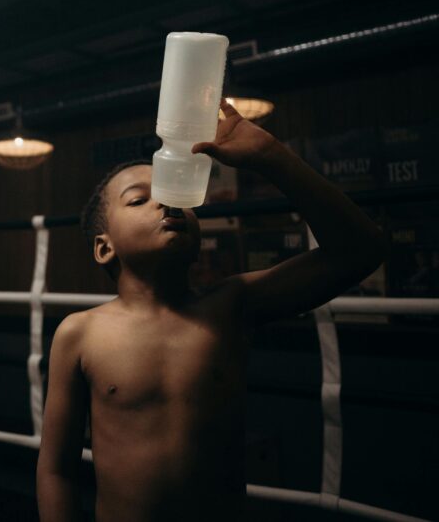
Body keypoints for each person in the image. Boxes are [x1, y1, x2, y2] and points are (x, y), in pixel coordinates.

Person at [36, 99, 387, 521]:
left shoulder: (230, 305)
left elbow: (361, 250)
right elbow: (56, 468)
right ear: (104, 247)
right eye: (138, 200)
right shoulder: (80, 333)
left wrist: (271, 157)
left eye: (176, 192)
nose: (165, 203)